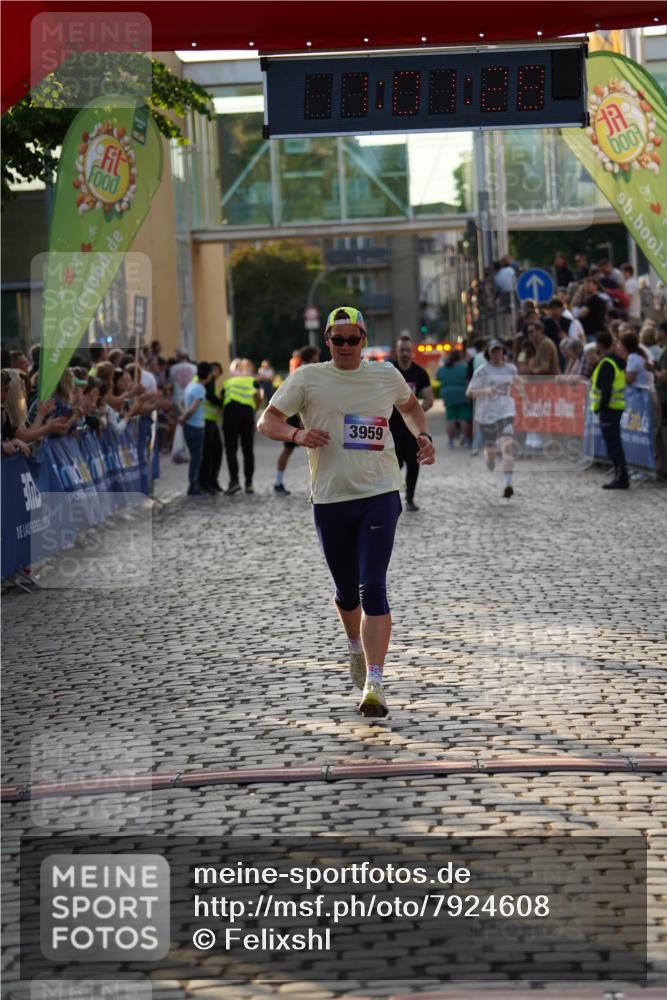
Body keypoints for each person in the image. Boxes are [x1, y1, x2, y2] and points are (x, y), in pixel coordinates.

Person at [257, 306, 435, 718]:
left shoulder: (385, 374)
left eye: (353, 339)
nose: (346, 347)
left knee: (373, 586)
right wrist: (297, 433)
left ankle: (375, 681)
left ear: (364, 338)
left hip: (380, 492)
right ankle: (355, 645)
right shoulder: (307, 378)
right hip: (331, 498)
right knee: (346, 590)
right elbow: (267, 421)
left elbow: (410, 408)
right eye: (338, 340)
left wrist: (422, 435)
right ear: (327, 341)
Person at [466, 339, 522, 499]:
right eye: (493, 351)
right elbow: (469, 393)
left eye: (499, 350)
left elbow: (518, 384)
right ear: (488, 353)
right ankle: (490, 460)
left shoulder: (511, 369)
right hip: (487, 415)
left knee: (508, 446)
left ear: (503, 352)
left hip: (506, 412)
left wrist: (523, 393)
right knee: (490, 451)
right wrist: (486, 391)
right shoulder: (482, 371)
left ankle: (508, 484)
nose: (497, 354)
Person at [390, 334, 433, 511]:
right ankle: (392, 497)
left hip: (412, 429)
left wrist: (414, 413)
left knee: (414, 463)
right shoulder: (389, 371)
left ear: (412, 352)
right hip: (391, 426)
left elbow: (429, 399)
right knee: (394, 463)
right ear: (396, 351)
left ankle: (409, 498)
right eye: (402, 350)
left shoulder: (419, 372)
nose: (405, 353)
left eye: (408, 350)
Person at [274, 346, 320, 495]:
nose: (318, 358)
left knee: (289, 450)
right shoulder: (306, 371)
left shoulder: (302, 369)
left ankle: (279, 481)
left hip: (295, 415)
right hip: (297, 416)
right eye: (317, 356)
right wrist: (301, 420)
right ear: (313, 357)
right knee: (313, 448)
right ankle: (279, 482)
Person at [590, 331, 628, 490]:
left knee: (613, 445)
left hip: (609, 409)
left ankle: (621, 478)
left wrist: (601, 409)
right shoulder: (614, 361)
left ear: (599, 345)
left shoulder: (606, 363)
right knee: (615, 444)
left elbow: (606, 390)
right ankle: (621, 476)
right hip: (615, 408)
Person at [223, 358, 261, 495]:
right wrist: (255, 410)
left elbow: (221, 399)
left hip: (230, 414)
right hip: (247, 415)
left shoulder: (228, 383)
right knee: (248, 450)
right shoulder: (252, 381)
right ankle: (249, 483)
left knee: (231, 449)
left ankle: (234, 482)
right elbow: (259, 397)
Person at [180, 361, 213, 497]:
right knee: (196, 458)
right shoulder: (200, 389)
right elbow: (193, 409)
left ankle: (194, 486)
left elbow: (181, 403)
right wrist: (185, 418)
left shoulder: (191, 385)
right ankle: (193, 487)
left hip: (189, 426)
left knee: (195, 457)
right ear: (209, 375)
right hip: (196, 427)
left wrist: (183, 415)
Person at [436, 348, 471, 452]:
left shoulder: (442, 369)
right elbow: (468, 379)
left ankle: (450, 441)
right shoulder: (464, 367)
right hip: (462, 394)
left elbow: (437, 378)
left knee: (451, 419)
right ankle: (465, 440)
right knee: (463, 418)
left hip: (448, 396)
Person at [199, 361, 225, 493]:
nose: (218, 376)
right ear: (215, 370)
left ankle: (211, 481)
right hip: (206, 420)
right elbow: (210, 396)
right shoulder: (210, 379)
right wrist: (223, 403)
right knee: (210, 453)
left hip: (209, 420)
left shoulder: (203, 379)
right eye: (219, 373)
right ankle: (207, 482)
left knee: (214, 452)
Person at [654, 321, 667, 480]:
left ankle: (664, 467)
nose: (656, 333)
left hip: (664, 397)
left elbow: (664, 376)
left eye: (658, 330)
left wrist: (653, 370)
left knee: (662, 434)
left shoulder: (665, 353)